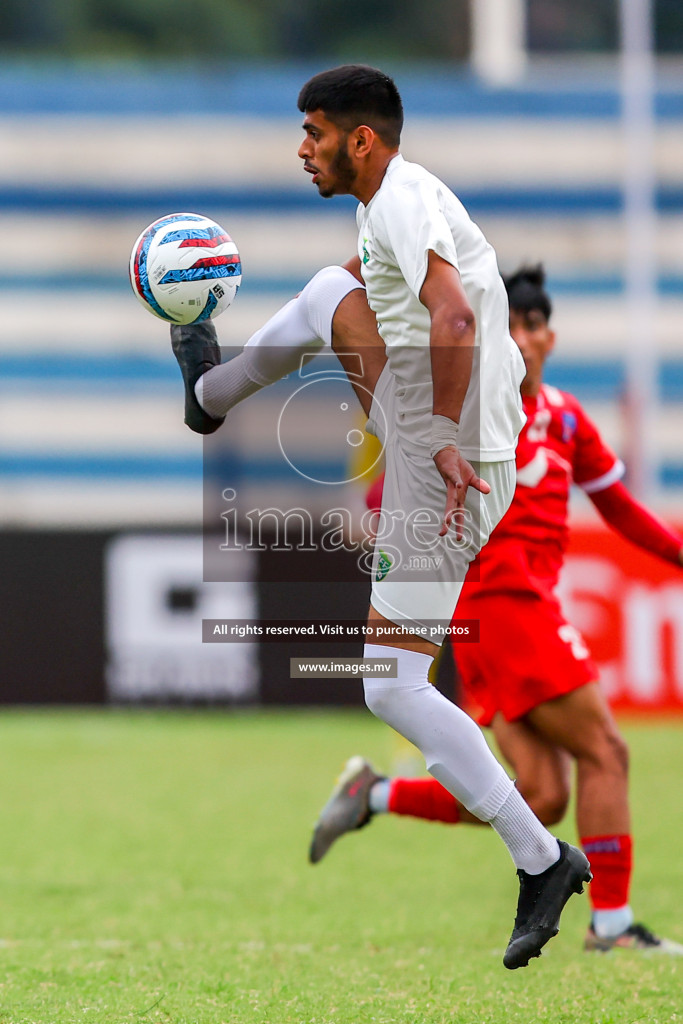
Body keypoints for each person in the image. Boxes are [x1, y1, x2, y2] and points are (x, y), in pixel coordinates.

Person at [170, 66, 591, 970]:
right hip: (449, 439)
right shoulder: (396, 200)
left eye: (314, 131)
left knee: (390, 687)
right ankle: (209, 392)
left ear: (359, 139)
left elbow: (452, 320)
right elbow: (407, 304)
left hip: (452, 467)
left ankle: (541, 859)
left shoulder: (398, 202)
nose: (301, 147)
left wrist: (435, 439)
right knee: (331, 288)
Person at [308, 264, 683, 956]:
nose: (524, 339)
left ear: (549, 337)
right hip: (500, 605)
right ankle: (612, 926)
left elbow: (622, 512)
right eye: (509, 325)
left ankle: (377, 795)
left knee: (539, 795)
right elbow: (391, 493)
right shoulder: (471, 410)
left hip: (515, 613)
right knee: (605, 748)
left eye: (533, 326)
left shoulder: (567, 418)